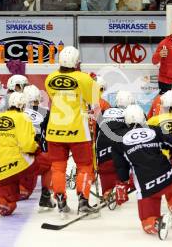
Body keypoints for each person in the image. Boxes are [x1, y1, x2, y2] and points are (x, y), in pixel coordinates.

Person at [110, 104, 172, 239]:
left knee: (147, 222)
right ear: (143, 117)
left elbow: (121, 167)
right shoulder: (154, 130)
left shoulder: (117, 139)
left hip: (148, 189)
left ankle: (157, 223)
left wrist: (122, 181)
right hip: (169, 179)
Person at [44, 46, 100, 216]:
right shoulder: (85, 79)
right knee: (84, 166)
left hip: (54, 131)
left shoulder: (50, 78)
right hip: (78, 131)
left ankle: (61, 200)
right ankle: (83, 200)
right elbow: (95, 104)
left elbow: (55, 96)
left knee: (58, 167)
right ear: (77, 62)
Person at [0, 92, 39, 221]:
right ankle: (36, 192)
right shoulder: (24, 118)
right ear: (23, 105)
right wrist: (37, 147)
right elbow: (27, 145)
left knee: (8, 206)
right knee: (47, 163)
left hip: (0, 169)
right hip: (18, 165)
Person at [95, 91, 134, 200]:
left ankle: (107, 191)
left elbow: (97, 131)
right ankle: (122, 187)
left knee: (105, 168)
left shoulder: (104, 111)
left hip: (102, 144)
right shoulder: (131, 112)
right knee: (126, 164)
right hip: (119, 144)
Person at [22, 85, 56, 209]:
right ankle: (46, 194)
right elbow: (51, 136)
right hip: (36, 158)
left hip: (15, 161)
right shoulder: (46, 112)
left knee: (23, 193)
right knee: (52, 163)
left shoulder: (16, 113)